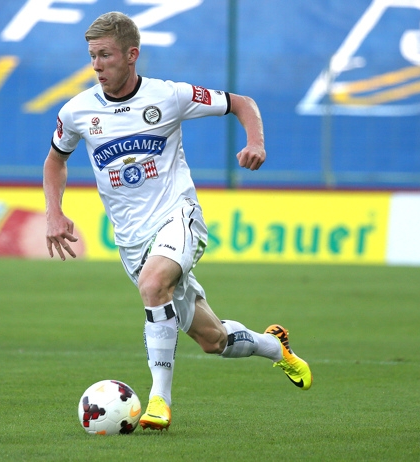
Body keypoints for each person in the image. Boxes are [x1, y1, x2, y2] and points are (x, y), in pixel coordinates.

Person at [43, 11, 312, 431]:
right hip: (132, 240)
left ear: (132, 55)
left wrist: (255, 142)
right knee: (213, 340)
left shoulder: (169, 96)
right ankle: (275, 347)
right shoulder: (77, 111)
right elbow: (55, 161)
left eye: (105, 56)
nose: (96, 65)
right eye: (92, 56)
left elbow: (242, 103)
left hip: (178, 216)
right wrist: (54, 212)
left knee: (154, 284)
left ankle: (158, 401)